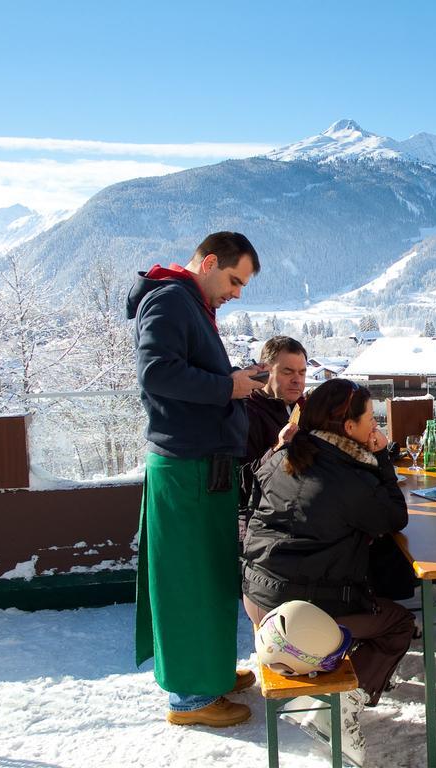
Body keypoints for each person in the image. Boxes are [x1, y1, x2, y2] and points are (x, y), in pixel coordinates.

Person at [128, 231, 265, 727]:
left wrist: (235, 378)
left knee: (210, 576)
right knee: (186, 579)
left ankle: (211, 673)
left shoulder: (190, 303)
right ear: (208, 262)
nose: (236, 293)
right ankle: (190, 699)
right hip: (185, 466)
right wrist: (228, 386)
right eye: (233, 280)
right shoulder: (169, 300)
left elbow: (189, 371)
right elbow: (157, 374)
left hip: (203, 465)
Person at [241, 379, 415, 726]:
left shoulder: (283, 454)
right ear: (349, 428)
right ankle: (343, 705)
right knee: (400, 624)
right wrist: (381, 457)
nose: (375, 426)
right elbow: (395, 516)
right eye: (371, 419)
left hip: (257, 596)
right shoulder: (348, 479)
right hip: (300, 615)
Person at [239, 335, 308, 535]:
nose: (297, 380)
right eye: (288, 372)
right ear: (266, 372)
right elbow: (241, 481)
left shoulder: (304, 408)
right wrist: (278, 448)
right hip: (268, 529)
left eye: (302, 373)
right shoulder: (246, 412)